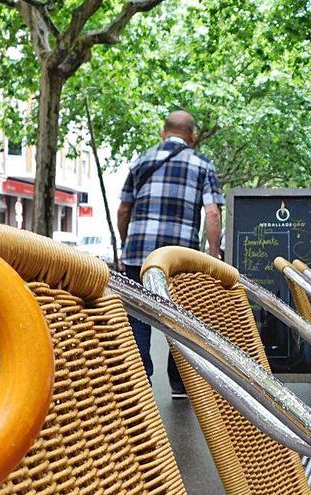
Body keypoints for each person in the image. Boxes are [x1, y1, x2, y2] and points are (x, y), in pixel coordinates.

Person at [117, 110, 224, 398]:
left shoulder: (141, 161)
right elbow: (212, 212)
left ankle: (140, 388)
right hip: (177, 261)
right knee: (179, 318)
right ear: (192, 137)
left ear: (163, 133)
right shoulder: (202, 164)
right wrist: (213, 254)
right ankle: (180, 384)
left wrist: (126, 244)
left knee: (137, 319)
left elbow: (124, 209)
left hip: (138, 253)